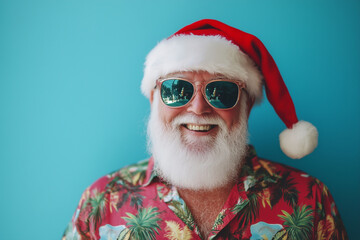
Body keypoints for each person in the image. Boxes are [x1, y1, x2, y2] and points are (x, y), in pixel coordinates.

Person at [62, 19, 348, 240]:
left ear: (246, 105)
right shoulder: (102, 200)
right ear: (154, 99)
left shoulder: (310, 199)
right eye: (177, 90)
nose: (198, 108)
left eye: (221, 92)